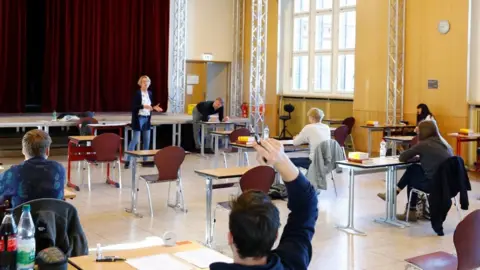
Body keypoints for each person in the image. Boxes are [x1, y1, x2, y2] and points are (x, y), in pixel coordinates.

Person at [210, 139, 318, 270]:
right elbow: (306, 206)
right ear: (275, 236)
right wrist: (282, 160)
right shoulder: (292, 263)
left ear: (230, 237)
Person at [377, 120, 453, 221]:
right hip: (449, 185)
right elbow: (434, 159)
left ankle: (407, 206)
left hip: (433, 185)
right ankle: (396, 195)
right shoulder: (444, 143)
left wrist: (417, 154)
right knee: (414, 169)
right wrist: (420, 158)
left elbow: (402, 157)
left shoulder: (425, 144)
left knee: (412, 173)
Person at [0, 129, 66, 207]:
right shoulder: (59, 169)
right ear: (47, 151)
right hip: (53, 218)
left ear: (23, 150)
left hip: (22, 218)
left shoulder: (13, 173)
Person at [124, 75, 163, 168]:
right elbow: (134, 107)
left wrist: (154, 108)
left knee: (147, 140)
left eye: (147, 82)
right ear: (140, 83)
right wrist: (143, 106)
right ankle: (127, 160)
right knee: (135, 140)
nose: (146, 83)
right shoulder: (138, 93)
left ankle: (145, 161)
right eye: (144, 81)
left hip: (147, 118)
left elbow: (149, 106)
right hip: (139, 118)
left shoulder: (150, 93)